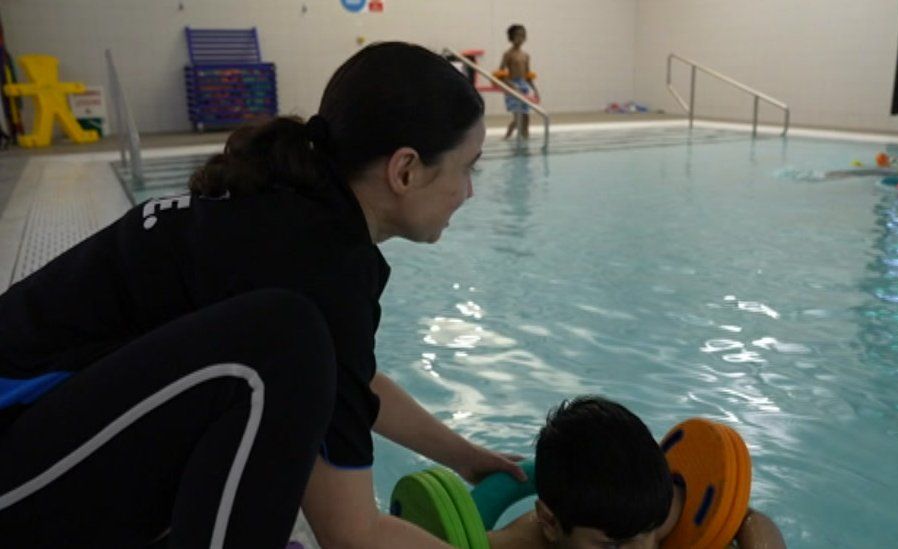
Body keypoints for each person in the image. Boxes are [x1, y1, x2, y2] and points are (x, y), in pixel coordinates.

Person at [0, 42, 524, 548]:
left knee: (289, 355)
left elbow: (350, 382)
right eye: (467, 167)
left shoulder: (294, 213)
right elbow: (354, 534)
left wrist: (464, 456)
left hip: (42, 448)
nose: (469, 191)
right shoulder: (318, 266)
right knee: (283, 341)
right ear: (405, 169)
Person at [487, 397, 786, 549]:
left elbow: (747, 519)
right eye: (612, 547)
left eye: (647, 537)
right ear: (550, 522)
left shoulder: (646, 510)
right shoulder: (525, 540)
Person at [499, 24, 540, 140]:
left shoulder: (526, 55)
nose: (520, 38)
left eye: (522, 35)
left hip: (524, 86)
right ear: (511, 38)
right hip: (512, 86)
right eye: (517, 35)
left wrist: (535, 91)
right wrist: (511, 85)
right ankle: (508, 136)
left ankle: (525, 142)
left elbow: (528, 75)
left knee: (526, 117)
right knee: (518, 118)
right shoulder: (508, 54)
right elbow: (501, 74)